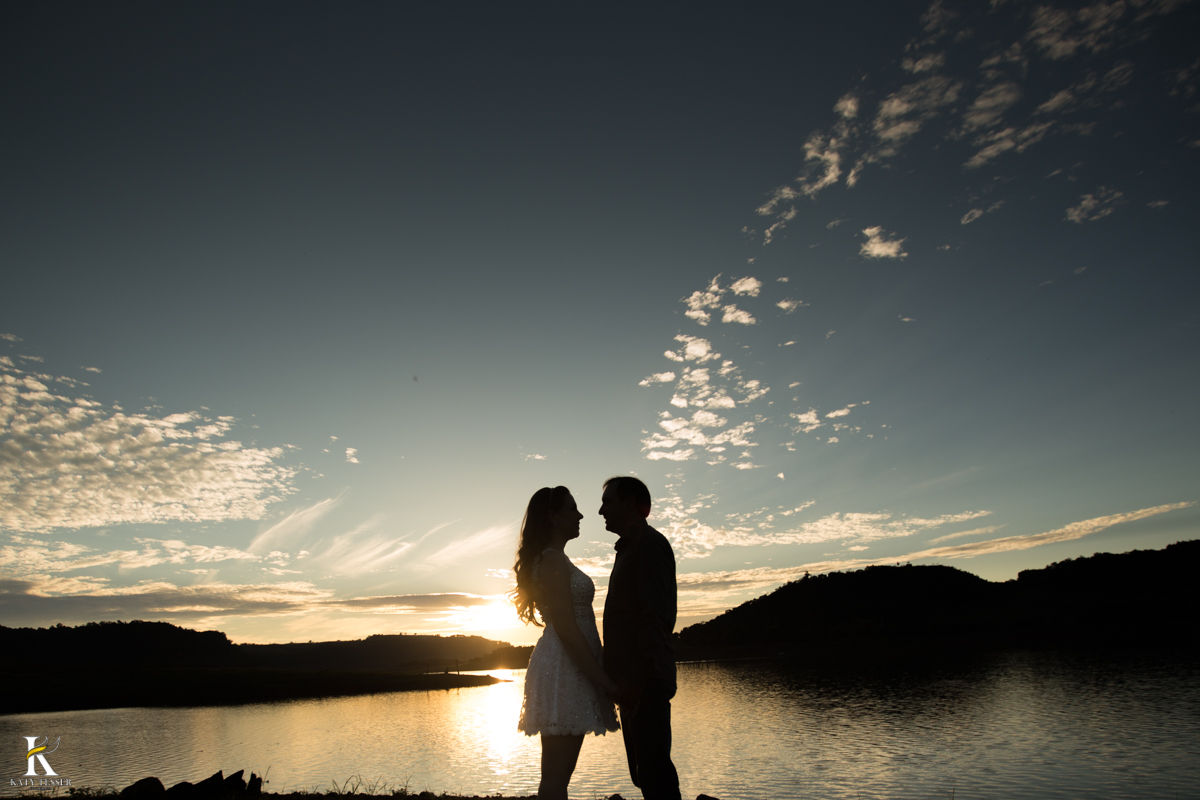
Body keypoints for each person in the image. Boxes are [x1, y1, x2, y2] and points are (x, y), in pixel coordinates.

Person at [513, 485, 619, 800]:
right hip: (566, 666)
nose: (581, 515)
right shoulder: (552, 561)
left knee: (557, 776)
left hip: (566, 664)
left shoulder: (554, 559)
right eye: (572, 509)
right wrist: (606, 683)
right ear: (553, 517)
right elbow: (567, 629)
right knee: (557, 777)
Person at [600, 476, 681, 800]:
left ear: (631, 503)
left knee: (655, 774)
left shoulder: (649, 545)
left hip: (644, 680)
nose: (600, 510)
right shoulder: (632, 547)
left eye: (608, 501)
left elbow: (656, 617)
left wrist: (634, 679)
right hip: (634, 683)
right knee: (644, 774)